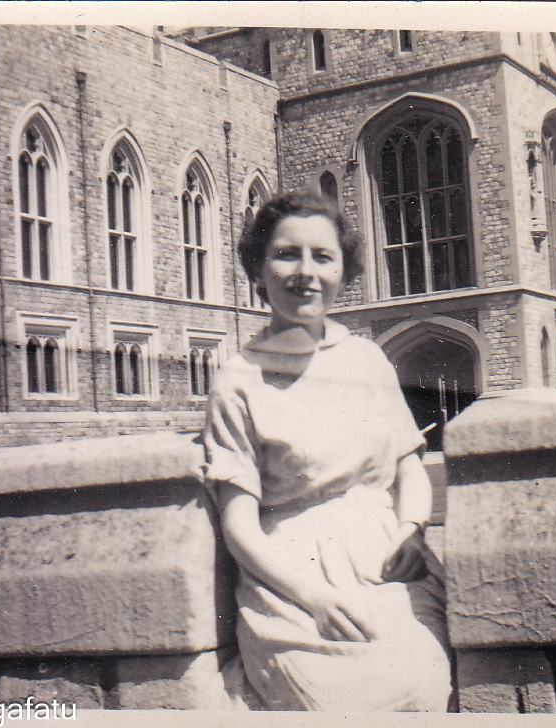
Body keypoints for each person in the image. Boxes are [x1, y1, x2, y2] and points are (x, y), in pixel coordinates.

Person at [201, 192, 451, 711]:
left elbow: (410, 468)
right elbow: (239, 526)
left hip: (387, 563)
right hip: (291, 581)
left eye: (323, 257)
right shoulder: (237, 381)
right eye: (287, 254)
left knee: (420, 683)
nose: (305, 273)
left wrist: (413, 531)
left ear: (343, 269)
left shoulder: (368, 360)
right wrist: (312, 598)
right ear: (259, 268)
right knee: (333, 701)